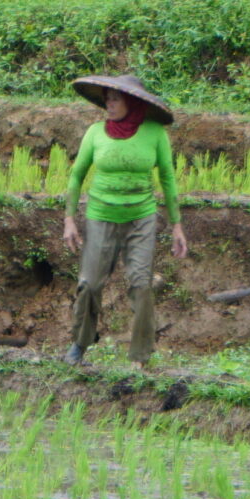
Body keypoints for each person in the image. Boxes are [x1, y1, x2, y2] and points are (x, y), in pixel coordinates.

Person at [60, 73, 188, 365]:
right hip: (100, 216)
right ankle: (80, 344)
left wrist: (177, 225)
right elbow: (76, 176)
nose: (110, 104)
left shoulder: (154, 133)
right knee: (89, 284)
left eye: (116, 99)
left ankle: (139, 357)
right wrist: (69, 219)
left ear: (132, 102)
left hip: (141, 218)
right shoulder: (95, 133)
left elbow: (168, 178)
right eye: (107, 99)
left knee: (141, 285)